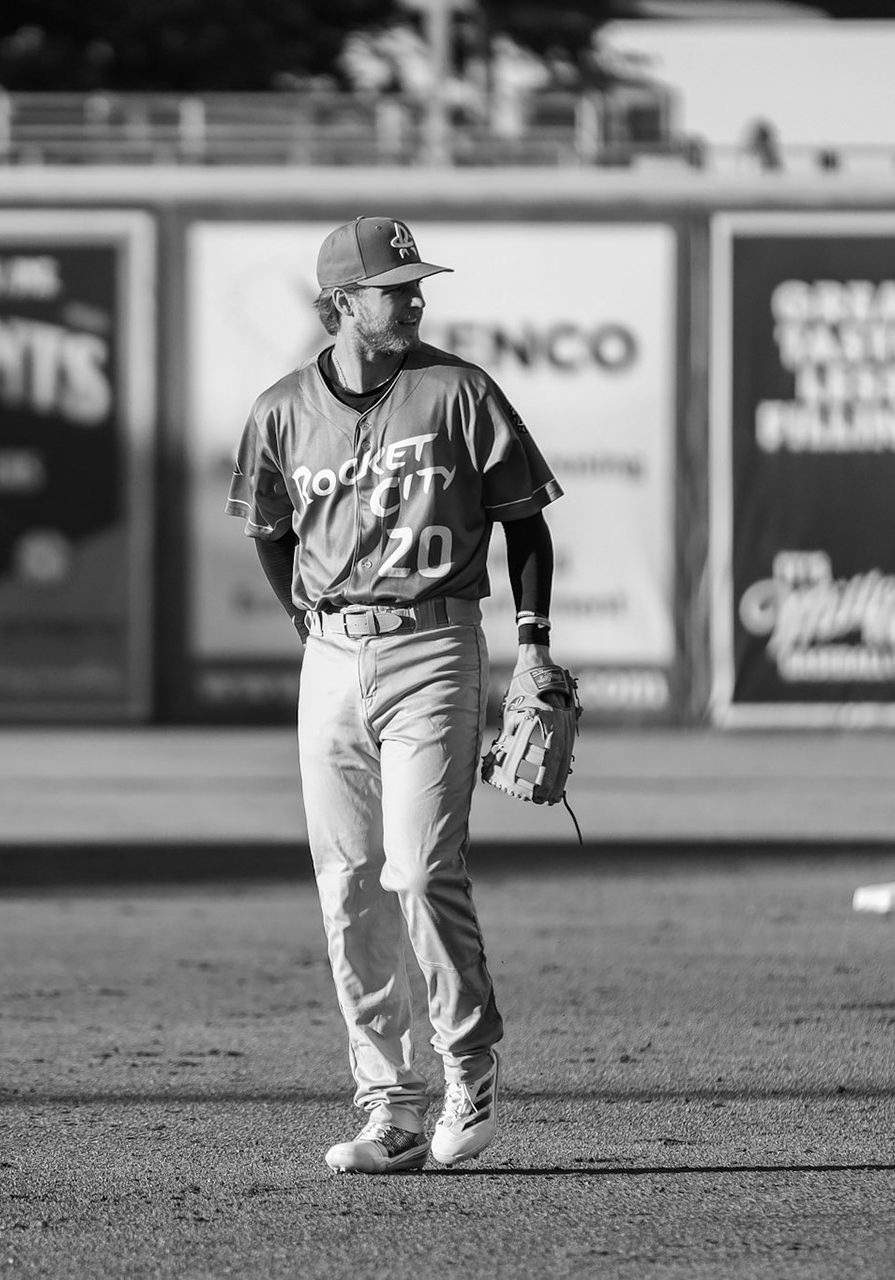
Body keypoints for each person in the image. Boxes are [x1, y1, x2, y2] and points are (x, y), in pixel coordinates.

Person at [225, 216, 564, 1174]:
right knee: (346, 887)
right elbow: (270, 531)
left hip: (437, 646)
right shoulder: (281, 410)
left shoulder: (458, 391)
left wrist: (533, 652)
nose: (413, 299)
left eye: (416, 285)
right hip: (331, 657)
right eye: (393, 288)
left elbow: (525, 525)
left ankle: (469, 1065)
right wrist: (310, 627)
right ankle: (390, 1107)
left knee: (417, 871)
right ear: (339, 305)